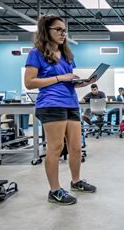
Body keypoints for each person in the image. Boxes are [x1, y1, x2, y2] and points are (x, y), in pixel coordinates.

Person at [24, 15, 97, 205]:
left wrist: (85, 83)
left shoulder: (67, 55)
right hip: (51, 104)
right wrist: (59, 78)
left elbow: (69, 83)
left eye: (64, 30)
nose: (63, 33)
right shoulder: (36, 53)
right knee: (55, 148)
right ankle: (54, 191)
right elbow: (29, 83)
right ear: (46, 31)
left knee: (75, 147)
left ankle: (76, 181)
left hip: (71, 103)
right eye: (58, 29)